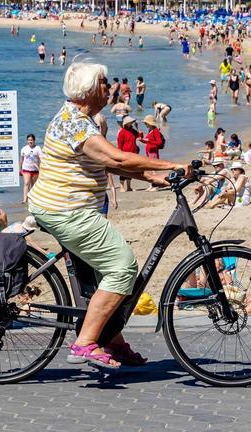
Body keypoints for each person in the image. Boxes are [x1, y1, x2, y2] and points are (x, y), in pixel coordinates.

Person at [27, 62, 189, 369]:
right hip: (67, 211)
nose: (109, 87)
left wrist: (152, 177)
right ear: (89, 90)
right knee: (122, 268)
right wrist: (169, 165)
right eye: (104, 83)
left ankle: (112, 340)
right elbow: (115, 156)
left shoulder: (78, 118)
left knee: (106, 273)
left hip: (68, 208)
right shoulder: (76, 123)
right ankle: (85, 342)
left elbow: (107, 164)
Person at [116, 117, 141, 192]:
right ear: (126, 123)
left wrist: (137, 127)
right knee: (123, 171)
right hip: (125, 153)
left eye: (132, 122)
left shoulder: (132, 130)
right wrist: (120, 154)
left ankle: (129, 187)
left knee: (131, 171)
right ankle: (121, 187)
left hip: (133, 153)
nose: (132, 123)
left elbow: (140, 136)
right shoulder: (122, 132)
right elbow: (119, 144)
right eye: (130, 122)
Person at [19, 133, 42, 203]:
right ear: (27, 141)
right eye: (29, 140)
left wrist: (42, 169)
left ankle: (32, 199)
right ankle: (25, 199)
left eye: (31, 140)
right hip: (26, 169)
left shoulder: (38, 148)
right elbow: (21, 160)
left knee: (33, 185)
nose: (30, 141)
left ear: (34, 140)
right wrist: (20, 169)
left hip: (35, 169)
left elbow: (40, 159)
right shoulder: (24, 149)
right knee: (26, 183)